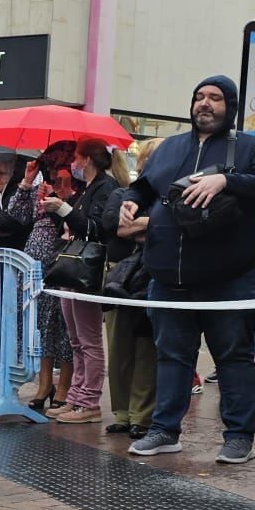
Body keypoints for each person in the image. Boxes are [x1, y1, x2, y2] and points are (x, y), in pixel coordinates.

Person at [122, 75, 255, 463]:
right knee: (172, 356)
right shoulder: (170, 147)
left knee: (233, 357)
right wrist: (129, 199)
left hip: (230, 278)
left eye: (214, 98)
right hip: (168, 277)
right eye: (199, 97)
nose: (204, 104)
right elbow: (145, 186)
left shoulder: (250, 146)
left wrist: (224, 179)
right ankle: (164, 430)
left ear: (229, 105)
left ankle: (239, 436)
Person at [51, 139, 123, 424]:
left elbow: (96, 228)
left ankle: (89, 399)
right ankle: (77, 396)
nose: (74, 164)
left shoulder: (106, 188)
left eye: (77, 158)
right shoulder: (87, 189)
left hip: (88, 271)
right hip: (75, 269)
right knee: (77, 340)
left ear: (88, 159)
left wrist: (65, 210)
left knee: (88, 339)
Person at [12, 142, 78, 410]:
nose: (51, 170)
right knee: (41, 325)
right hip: (36, 265)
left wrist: (63, 198)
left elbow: (77, 218)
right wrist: (27, 182)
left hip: (62, 260)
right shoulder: (40, 187)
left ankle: (64, 387)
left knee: (63, 327)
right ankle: (44, 384)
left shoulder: (76, 186)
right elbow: (16, 214)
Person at [101, 140, 157, 434]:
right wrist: (149, 225)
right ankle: (122, 413)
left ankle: (141, 416)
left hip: (153, 276)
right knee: (119, 346)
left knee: (146, 347)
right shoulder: (122, 194)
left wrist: (144, 224)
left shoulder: (167, 196)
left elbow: (170, 226)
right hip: (121, 276)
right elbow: (115, 226)